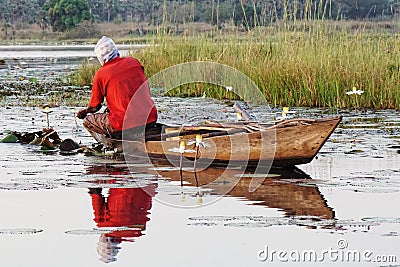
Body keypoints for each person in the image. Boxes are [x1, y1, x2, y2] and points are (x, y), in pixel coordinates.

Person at [77, 36, 158, 141]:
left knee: (88, 120)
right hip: (150, 118)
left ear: (100, 57)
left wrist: (84, 112)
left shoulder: (101, 74)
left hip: (123, 124)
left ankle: (111, 143)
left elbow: (94, 107)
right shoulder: (134, 62)